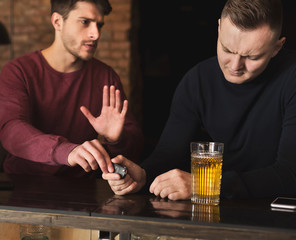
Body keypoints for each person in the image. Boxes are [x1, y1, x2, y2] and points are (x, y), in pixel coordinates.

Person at [103, 0, 296, 199]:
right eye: (227, 50)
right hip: (215, 211)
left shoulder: (292, 78)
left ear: (277, 47)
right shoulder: (197, 80)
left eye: (252, 57)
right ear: (219, 28)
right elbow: (169, 154)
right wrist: (142, 175)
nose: (235, 65)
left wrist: (203, 185)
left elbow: (291, 175)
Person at [0, 0, 143, 177]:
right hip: (23, 184)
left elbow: (135, 149)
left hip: (82, 190)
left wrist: (115, 140)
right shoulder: (19, 70)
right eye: (85, 22)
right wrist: (67, 151)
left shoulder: (106, 76)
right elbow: (11, 130)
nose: (95, 34)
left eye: (99, 25)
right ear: (57, 22)